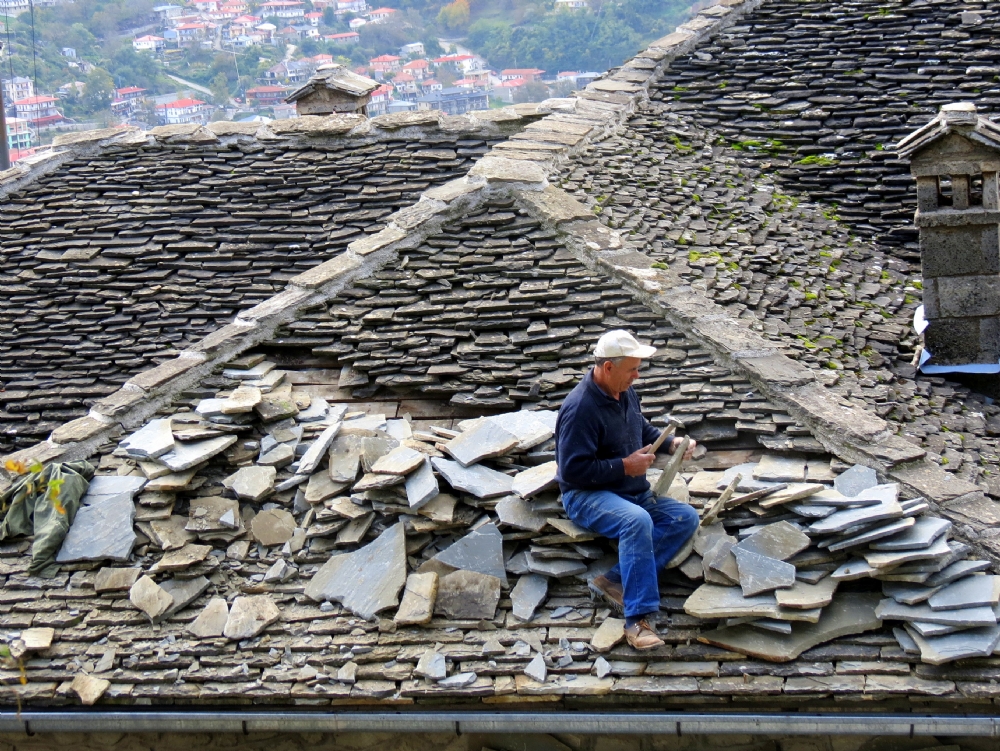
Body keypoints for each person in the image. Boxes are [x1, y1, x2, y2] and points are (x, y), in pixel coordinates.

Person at [554, 329, 699, 650]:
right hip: (585, 496)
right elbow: (572, 470)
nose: (637, 375)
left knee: (684, 517)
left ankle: (615, 580)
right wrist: (624, 466)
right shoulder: (580, 408)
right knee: (637, 521)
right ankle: (637, 620)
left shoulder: (624, 392)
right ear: (608, 367)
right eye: (632, 369)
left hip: (629, 492)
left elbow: (640, 427)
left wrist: (670, 442)